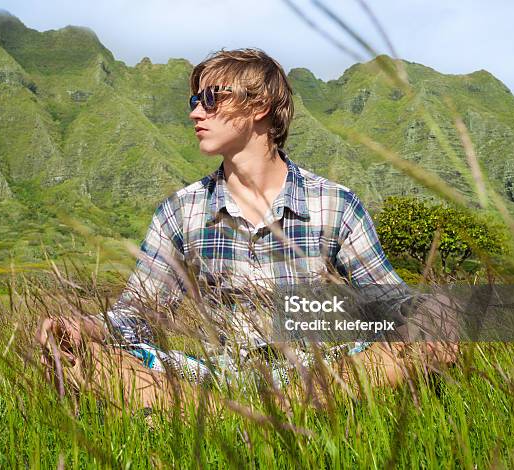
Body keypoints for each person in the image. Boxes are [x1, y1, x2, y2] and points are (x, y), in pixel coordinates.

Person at [36, 48, 458, 410]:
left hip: (323, 372)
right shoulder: (182, 210)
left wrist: (436, 316)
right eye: (194, 100)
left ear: (260, 107)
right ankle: (251, 416)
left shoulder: (334, 204)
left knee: (428, 332)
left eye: (211, 99)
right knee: (75, 358)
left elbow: (393, 302)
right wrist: (80, 327)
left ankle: (226, 417)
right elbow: (137, 316)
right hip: (217, 377)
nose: (195, 111)